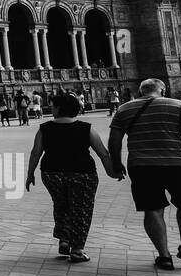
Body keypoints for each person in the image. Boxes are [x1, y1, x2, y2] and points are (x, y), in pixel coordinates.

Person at [109, 78, 181, 271]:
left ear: (141, 91)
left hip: (141, 166)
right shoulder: (178, 105)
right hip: (177, 164)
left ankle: (164, 256)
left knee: (152, 209)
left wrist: (116, 164)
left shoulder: (124, 109)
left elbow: (114, 140)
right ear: (163, 90)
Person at [24, 95, 119, 264]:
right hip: (82, 174)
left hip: (52, 174)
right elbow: (103, 153)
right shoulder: (86, 128)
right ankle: (77, 250)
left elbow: (35, 153)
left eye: (53, 106)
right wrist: (111, 172)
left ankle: (65, 238)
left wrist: (30, 174)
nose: (51, 109)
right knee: (81, 210)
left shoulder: (44, 128)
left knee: (62, 205)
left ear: (60, 108)